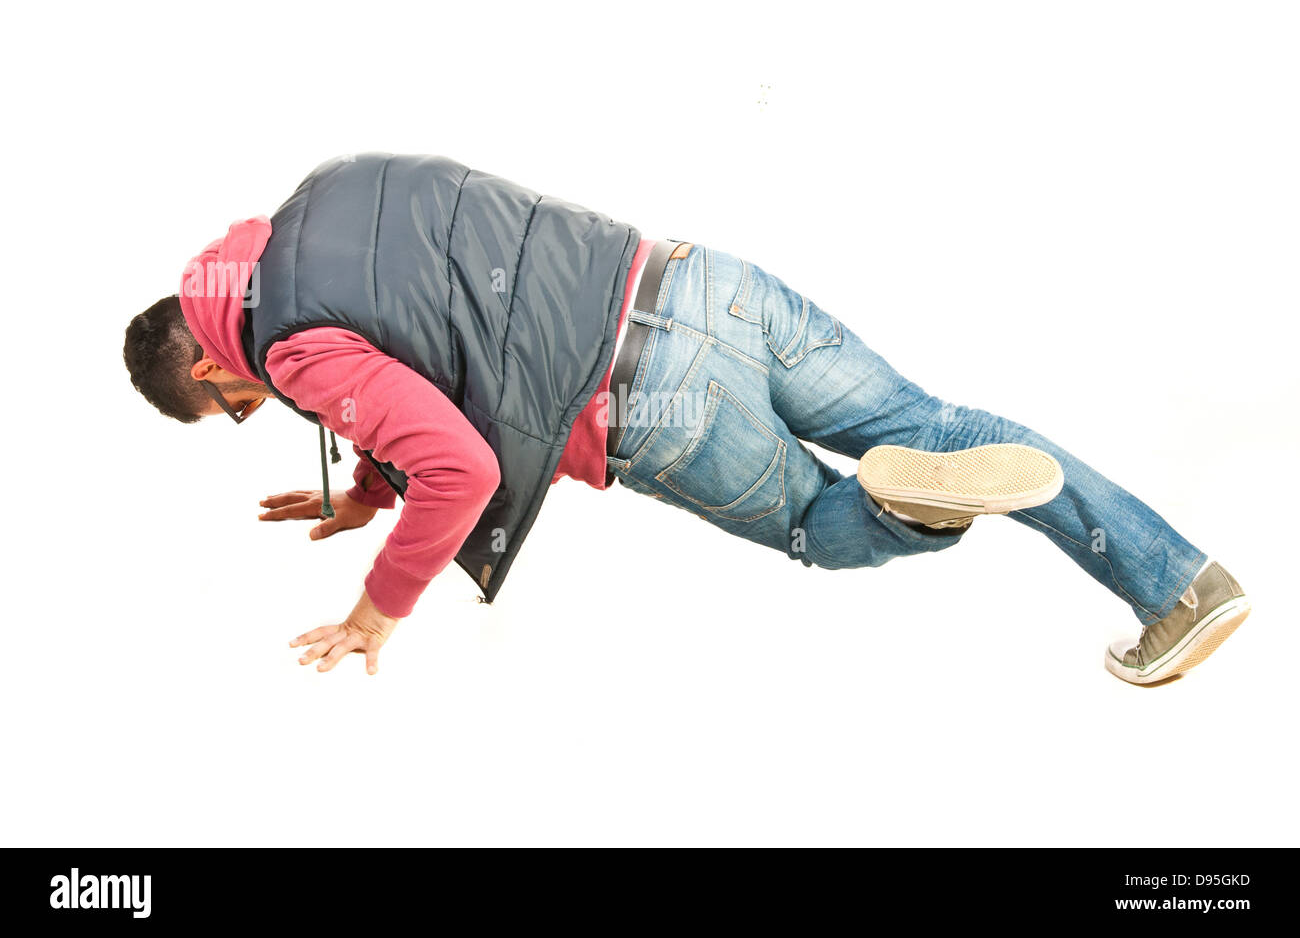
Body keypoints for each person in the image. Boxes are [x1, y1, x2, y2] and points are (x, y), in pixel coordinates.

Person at [123, 153, 1249, 684]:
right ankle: (1180, 586)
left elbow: (460, 464)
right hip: (701, 284)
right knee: (932, 416)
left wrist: (379, 609)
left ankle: (911, 509)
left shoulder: (290, 352)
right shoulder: (320, 194)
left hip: (645, 403)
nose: (258, 402)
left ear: (217, 377)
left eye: (234, 410)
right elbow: (442, 310)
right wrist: (369, 485)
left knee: (819, 522)